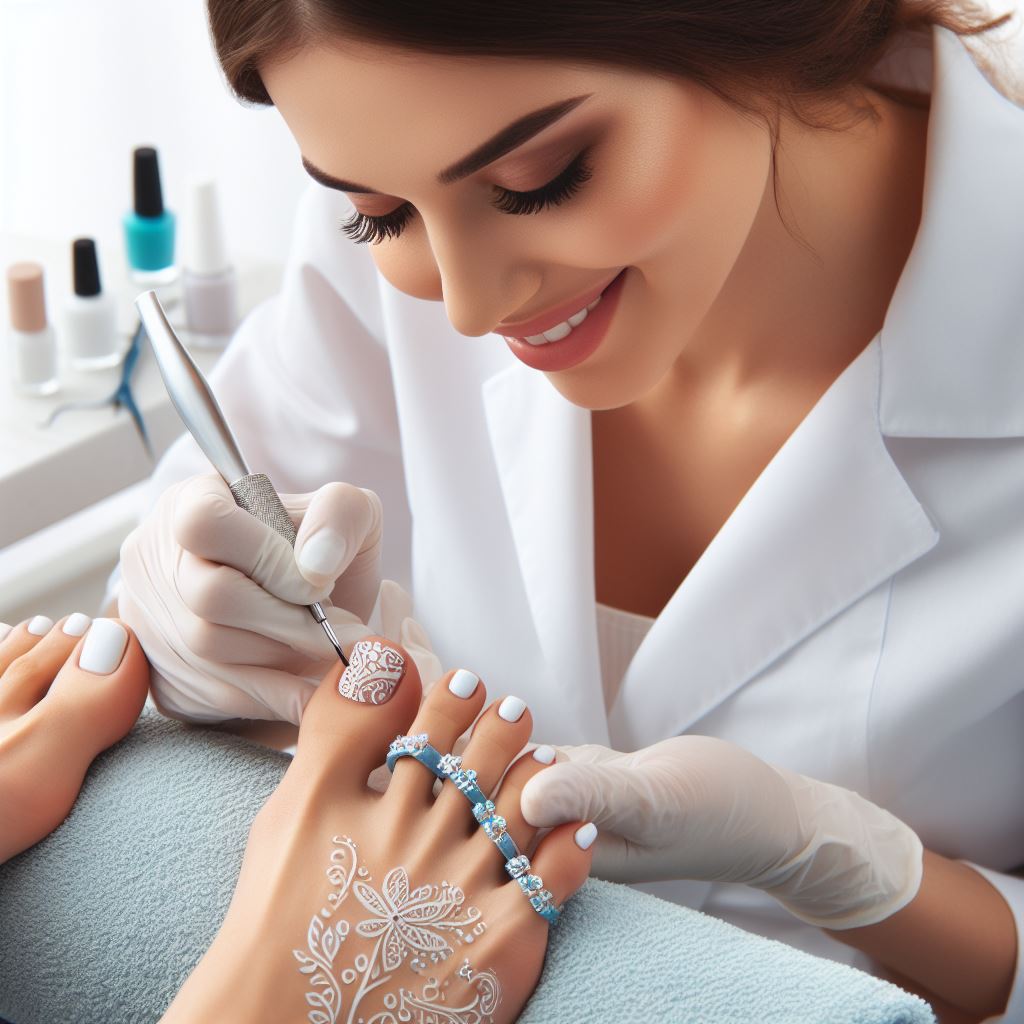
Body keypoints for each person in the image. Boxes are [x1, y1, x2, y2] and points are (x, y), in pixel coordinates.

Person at [95, 1, 1024, 1020]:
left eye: (541, 180)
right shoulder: (409, 166)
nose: (466, 306)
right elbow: (194, 546)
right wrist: (187, 615)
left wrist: (853, 865)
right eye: (378, 214)